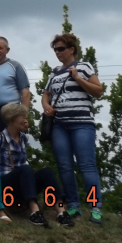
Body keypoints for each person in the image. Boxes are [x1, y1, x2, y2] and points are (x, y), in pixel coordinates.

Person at [0, 104, 74, 227]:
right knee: (25, 169)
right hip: (4, 184)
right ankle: (34, 212)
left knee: (47, 172)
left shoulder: (23, 138)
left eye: (26, 117)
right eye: (22, 117)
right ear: (11, 119)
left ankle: (61, 213)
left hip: (21, 182)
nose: (25, 120)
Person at [43, 33, 104, 224]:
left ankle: (95, 207)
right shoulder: (54, 72)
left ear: (72, 49)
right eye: (55, 50)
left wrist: (78, 78)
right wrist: (46, 105)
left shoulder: (84, 67)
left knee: (87, 166)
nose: (58, 53)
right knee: (65, 167)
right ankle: (73, 206)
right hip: (59, 125)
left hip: (82, 124)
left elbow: (98, 91)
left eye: (61, 49)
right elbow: (46, 94)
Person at [0, 37, 30, 137]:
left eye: (0, 47)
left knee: (10, 146)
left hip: (10, 112)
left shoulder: (15, 66)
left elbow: (25, 93)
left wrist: (24, 117)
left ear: (7, 50)